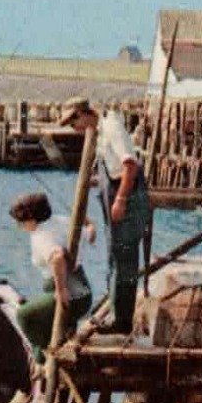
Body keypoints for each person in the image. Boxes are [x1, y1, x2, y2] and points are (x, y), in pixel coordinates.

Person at [59, 97, 151, 334]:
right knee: (115, 259)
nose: (74, 129)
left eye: (73, 123)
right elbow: (112, 168)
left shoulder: (111, 128)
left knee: (125, 261)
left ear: (83, 114)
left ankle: (121, 323)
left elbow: (129, 165)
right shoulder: (99, 131)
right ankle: (116, 314)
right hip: (117, 199)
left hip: (127, 201)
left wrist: (120, 199)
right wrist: (93, 182)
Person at [9, 191, 94, 361]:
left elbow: (57, 258)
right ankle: (44, 353)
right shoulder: (63, 221)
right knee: (42, 318)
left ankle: (48, 356)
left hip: (71, 295)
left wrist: (61, 288)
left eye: (21, 222)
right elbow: (90, 235)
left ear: (31, 219)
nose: (20, 227)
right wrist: (90, 223)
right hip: (83, 292)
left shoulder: (41, 236)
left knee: (23, 316)